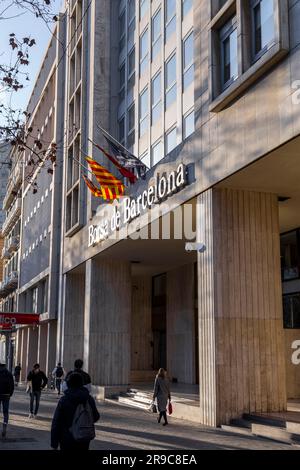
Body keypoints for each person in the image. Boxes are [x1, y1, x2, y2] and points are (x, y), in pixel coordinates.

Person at [51, 372, 100, 451]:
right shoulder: (89, 399)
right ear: (82, 384)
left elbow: (56, 422)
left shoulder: (64, 400)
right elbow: (96, 417)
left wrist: (54, 443)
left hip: (66, 439)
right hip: (83, 438)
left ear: (68, 384)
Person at [0, 362, 14, 438]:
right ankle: (4, 426)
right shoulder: (9, 374)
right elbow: (12, 385)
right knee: (6, 412)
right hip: (6, 395)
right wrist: (10, 393)